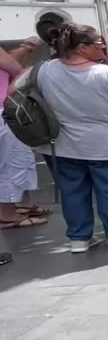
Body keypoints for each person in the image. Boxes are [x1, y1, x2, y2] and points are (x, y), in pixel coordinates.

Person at [20, 24, 108, 252]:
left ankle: (79, 239)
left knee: (72, 191)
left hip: (61, 146)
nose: (103, 45)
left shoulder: (44, 70)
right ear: (82, 47)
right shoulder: (105, 74)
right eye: (98, 42)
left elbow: (14, 92)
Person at [0, 39, 45, 231]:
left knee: (18, 159)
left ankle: (21, 204)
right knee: (9, 164)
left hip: (4, 109)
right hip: (4, 111)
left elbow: (6, 61)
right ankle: (7, 215)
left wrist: (26, 48)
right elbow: (16, 69)